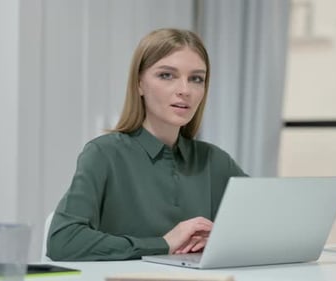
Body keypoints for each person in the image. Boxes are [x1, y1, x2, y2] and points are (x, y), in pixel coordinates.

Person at [46, 28, 247, 261]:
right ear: (139, 84)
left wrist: (218, 239)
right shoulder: (104, 154)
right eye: (167, 75)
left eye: (196, 79)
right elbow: (63, 241)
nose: (185, 90)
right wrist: (163, 244)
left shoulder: (215, 161)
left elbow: (266, 227)